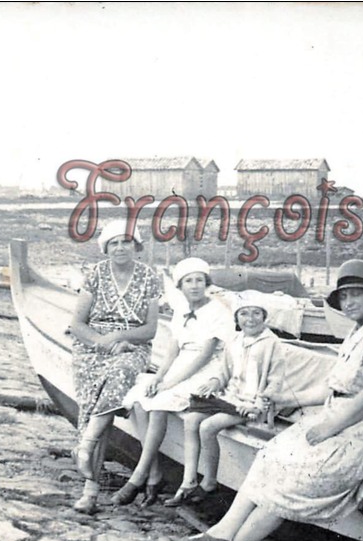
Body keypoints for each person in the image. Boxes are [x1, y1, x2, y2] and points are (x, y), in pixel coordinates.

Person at [166, 259, 363, 541]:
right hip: (344, 417)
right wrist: (287, 399)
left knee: (293, 477)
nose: (349, 301)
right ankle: (220, 535)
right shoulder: (359, 330)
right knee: (272, 456)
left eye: (357, 294)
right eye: (344, 296)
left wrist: (329, 426)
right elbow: (338, 387)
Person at [108, 257, 235, 506]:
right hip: (180, 366)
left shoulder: (218, 311)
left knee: (158, 404)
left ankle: (138, 477)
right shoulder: (181, 311)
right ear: (180, 286)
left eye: (200, 280)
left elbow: (205, 355)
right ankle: (154, 475)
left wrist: (170, 383)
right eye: (189, 281)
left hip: (205, 369)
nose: (195, 285)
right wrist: (159, 376)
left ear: (207, 283)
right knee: (140, 400)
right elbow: (172, 350)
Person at [68, 220, 163, 514]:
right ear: (106, 248)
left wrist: (120, 337)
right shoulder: (95, 274)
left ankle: (86, 451)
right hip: (92, 348)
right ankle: (90, 485)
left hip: (132, 348)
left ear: (136, 246)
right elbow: (77, 325)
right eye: (114, 243)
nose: (120, 248)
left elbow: (150, 330)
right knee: (99, 406)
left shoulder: (150, 276)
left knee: (120, 373)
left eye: (126, 242)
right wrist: (104, 343)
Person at [165, 290, 282, 507]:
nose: (250, 319)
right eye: (244, 314)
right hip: (230, 398)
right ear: (237, 318)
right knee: (191, 419)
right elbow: (224, 371)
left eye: (256, 313)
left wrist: (259, 403)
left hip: (252, 403)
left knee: (208, 426)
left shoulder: (271, 343)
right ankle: (189, 480)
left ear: (265, 317)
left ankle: (209, 481)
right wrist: (214, 382)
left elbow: (276, 380)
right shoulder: (235, 340)